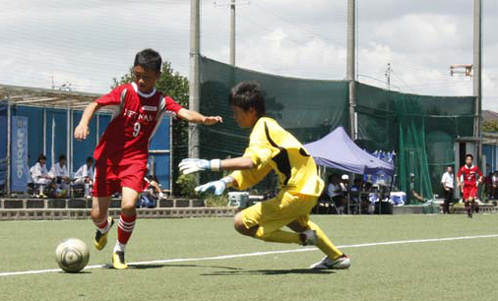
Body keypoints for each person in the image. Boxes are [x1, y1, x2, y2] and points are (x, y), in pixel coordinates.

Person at [73, 48, 223, 269]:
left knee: (129, 204)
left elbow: (183, 112)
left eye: (147, 77)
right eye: (137, 75)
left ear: (157, 76)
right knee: (96, 214)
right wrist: (83, 123)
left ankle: (119, 251)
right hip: (107, 158)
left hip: (134, 160)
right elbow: (94, 104)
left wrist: (203, 119)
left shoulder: (160, 101)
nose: (141, 80)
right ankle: (104, 227)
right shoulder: (124, 92)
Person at [179, 81, 350, 270]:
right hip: (307, 189)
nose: (234, 117)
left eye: (236, 112)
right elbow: (256, 171)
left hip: (296, 191)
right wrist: (225, 181)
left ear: (251, 110)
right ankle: (337, 257)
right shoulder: (269, 127)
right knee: (298, 223)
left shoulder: (261, 129)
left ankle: (303, 239)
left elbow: (250, 162)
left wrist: (210, 164)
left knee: (241, 223)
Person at [457, 154, 483, 218]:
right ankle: (469, 213)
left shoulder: (475, 168)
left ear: (472, 160)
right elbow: (458, 176)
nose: (469, 161)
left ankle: (475, 205)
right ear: (465, 160)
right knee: (466, 201)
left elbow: (481, 175)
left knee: (470, 199)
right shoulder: (462, 168)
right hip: (466, 186)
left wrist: (480, 179)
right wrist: (459, 182)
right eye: (467, 159)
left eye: (470, 159)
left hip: (473, 186)